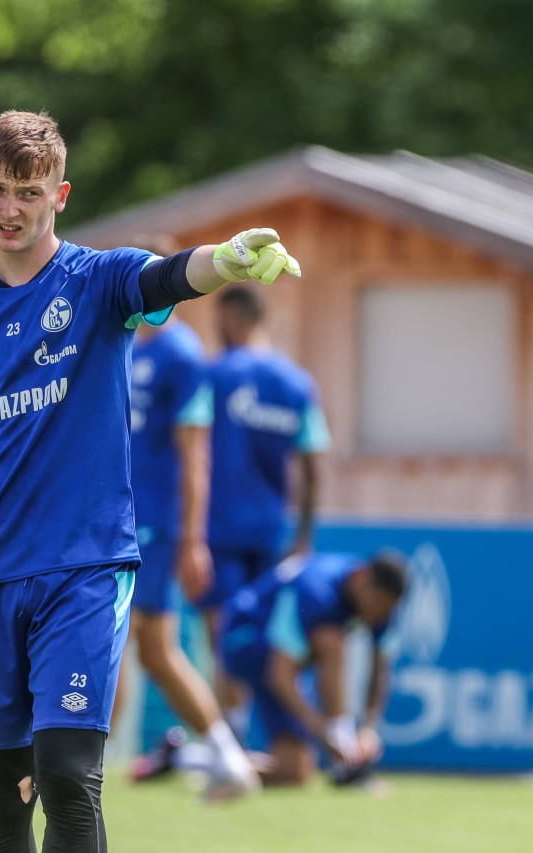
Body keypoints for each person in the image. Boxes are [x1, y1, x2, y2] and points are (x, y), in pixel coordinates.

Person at [0, 110, 301, 851]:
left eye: (29, 191)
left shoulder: (98, 282)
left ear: (59, 194)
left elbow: (170, 274)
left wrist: (228, 256)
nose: (10, 208)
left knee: (66, 773)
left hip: (81, 572)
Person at [114, 316, 258, 799]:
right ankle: (229, 758)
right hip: (126, 516)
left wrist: (192, 539)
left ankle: (71, 769)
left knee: (114, 637)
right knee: (157, 652)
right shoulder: (133, 344)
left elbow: (196, 453)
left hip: (151, 523)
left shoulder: (183, 355)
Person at [198, 283, 331, 726]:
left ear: (232, 318)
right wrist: (303, 538)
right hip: (273, 534)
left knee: (222, 634)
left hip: (217, 530)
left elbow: (188, 448)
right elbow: (313, 467)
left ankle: (230, 737)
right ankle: (269, 737)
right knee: (267, 636)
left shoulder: (215, 376)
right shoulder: (298, 383)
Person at [219, 551, 408, 786]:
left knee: (295, 769)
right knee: (332, 643)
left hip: (275, 655)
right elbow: (280, 675)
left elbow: (380, 669)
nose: (378, 614)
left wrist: (369, 729)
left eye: (386, 609)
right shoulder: (317, 590)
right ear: (362, 577)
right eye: (378, 603)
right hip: (243, 640)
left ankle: (190, 758)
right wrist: (324, 732)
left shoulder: (381, 607)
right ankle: (346, 761)